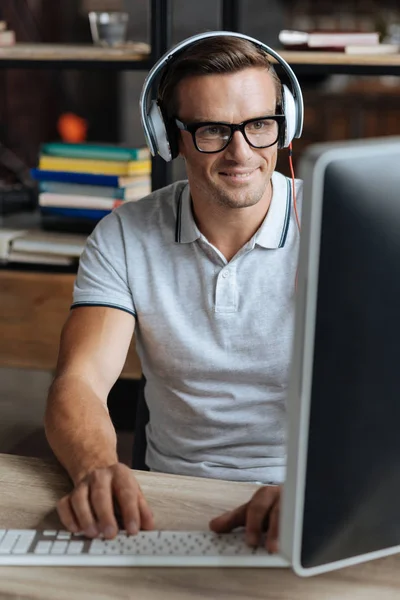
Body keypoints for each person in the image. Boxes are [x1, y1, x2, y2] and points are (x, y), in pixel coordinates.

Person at [44, 32, 303, 552]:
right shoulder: (124, 234)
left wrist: (314, 490)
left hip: (304, 497)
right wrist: (98, 469)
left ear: (286, 124)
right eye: (212, 129)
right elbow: (81, 381)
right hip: (165, 497)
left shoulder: (343, 218)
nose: (241, 152)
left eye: (259, 126)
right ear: (170, 137)